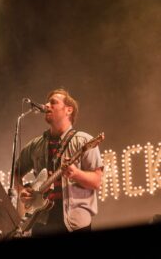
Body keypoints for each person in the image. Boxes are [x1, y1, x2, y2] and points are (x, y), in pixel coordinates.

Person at [14, 88, 104, 237]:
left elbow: (97, 181)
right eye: (47, 102)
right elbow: (15, 172)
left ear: (69, 110)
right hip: (40, 221)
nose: (46, 105)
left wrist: (76, 174)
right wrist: (21, 190)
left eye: (53, 102)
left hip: (74, 224)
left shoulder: (84, 141)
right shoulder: (35, 145)